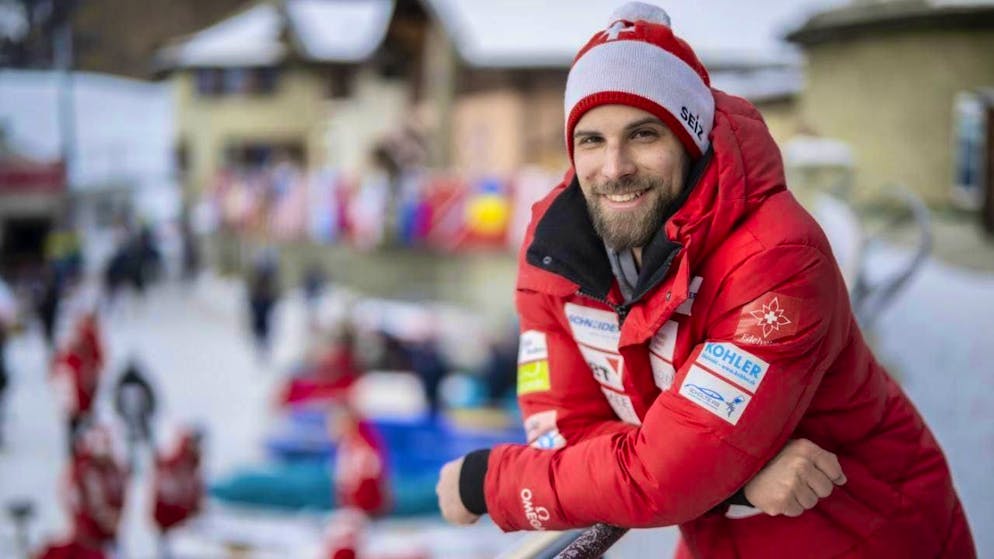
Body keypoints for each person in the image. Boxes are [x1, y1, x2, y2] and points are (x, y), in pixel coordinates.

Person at [435, 4, 974, 558]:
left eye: (643, 134)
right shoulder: (554, 256)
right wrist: (727, 479)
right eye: (591, 139)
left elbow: (660, 479)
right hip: (725, 536)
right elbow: (569, 440)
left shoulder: (779, 259)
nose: (614, 166)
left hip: (867, 534)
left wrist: (488, 481)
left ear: (690, 140)